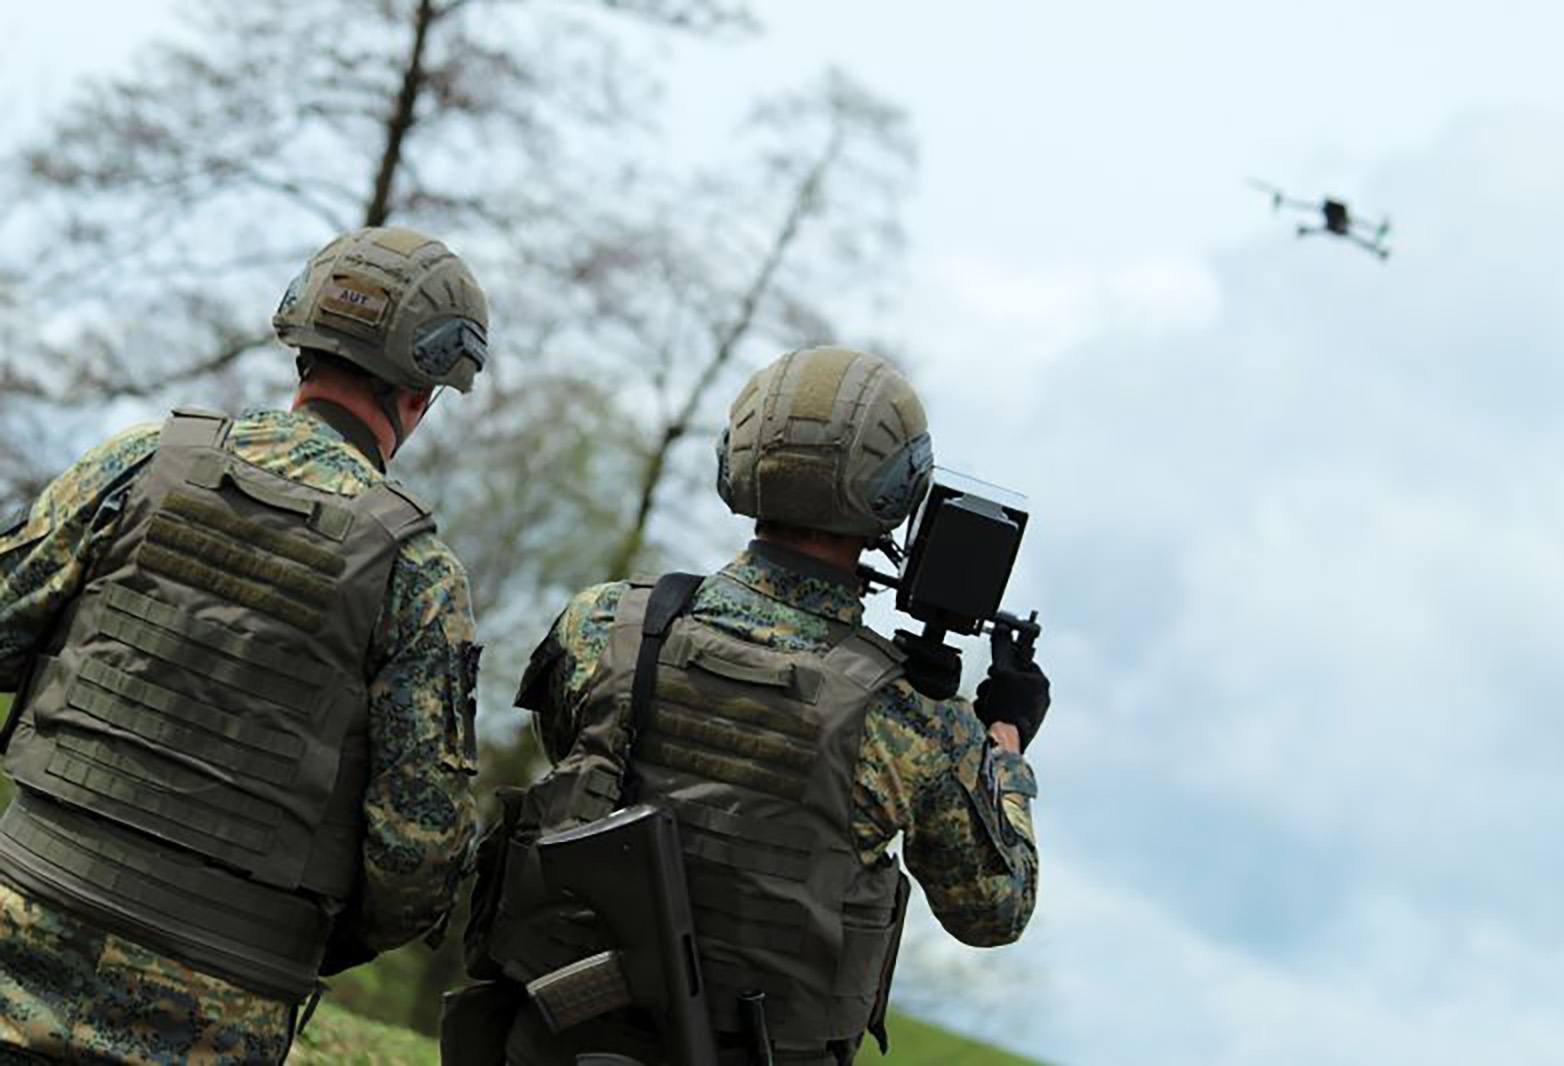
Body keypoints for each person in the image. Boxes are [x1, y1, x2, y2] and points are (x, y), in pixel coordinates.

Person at [447, 346, 1049, 1066]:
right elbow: (993, 909)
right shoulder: (912, 719)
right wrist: (1003, 746)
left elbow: (573, 763)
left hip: (554, 1045)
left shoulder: (606, 625)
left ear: (740, 457)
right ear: (898, 491)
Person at [0, 225, 488, 1064]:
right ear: (422, 393)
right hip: (217, 1013)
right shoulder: (418, 575)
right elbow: (416, 857)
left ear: (303, 342)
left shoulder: (143, 463)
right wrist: (303, 936)